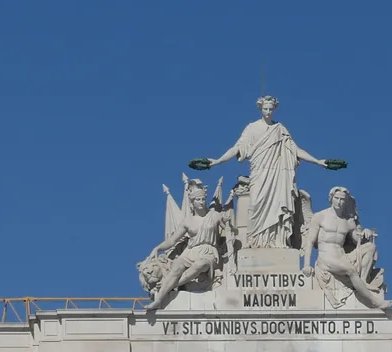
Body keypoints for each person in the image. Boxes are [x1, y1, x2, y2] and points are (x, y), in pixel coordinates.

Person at [191, 96, 341, 248]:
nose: (268, 112)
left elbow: (294, 150)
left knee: (278, 206)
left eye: (270, 109)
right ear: (260, 109)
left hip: (277, 176)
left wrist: (317, 161)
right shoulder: (252, 128)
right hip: (259, 174)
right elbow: (237, 148)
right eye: (265, 109)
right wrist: (218, 161)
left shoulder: (280, 129)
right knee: (255, 205)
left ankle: (278, 241)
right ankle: (255, 241)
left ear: (274, 109)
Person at [145, 179, 235, 311]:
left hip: (208, 252)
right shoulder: (188, 221)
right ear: (192, 202)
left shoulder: (215, 216)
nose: (201, 202)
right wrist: (157, 248)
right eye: (198, 200)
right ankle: (158, 300)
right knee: (177, 267)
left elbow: (232, 232)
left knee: (200, 265)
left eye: (203, 199)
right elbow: (173, 240)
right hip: (191, 252)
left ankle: (170, 286)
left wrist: (229, 225)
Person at [301, 186, 391, 308]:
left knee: (370, 247)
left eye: (342, 199)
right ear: (331, 199)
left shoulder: (348, 221)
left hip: (342, 257)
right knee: (351, 270)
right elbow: (310, 242)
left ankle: (363, 281)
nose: (339, 202)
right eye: (336, 198)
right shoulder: (320, 216)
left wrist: (365, 233)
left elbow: (357, 239)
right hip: (326, 258)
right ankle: (374, 302)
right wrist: (307, 265)